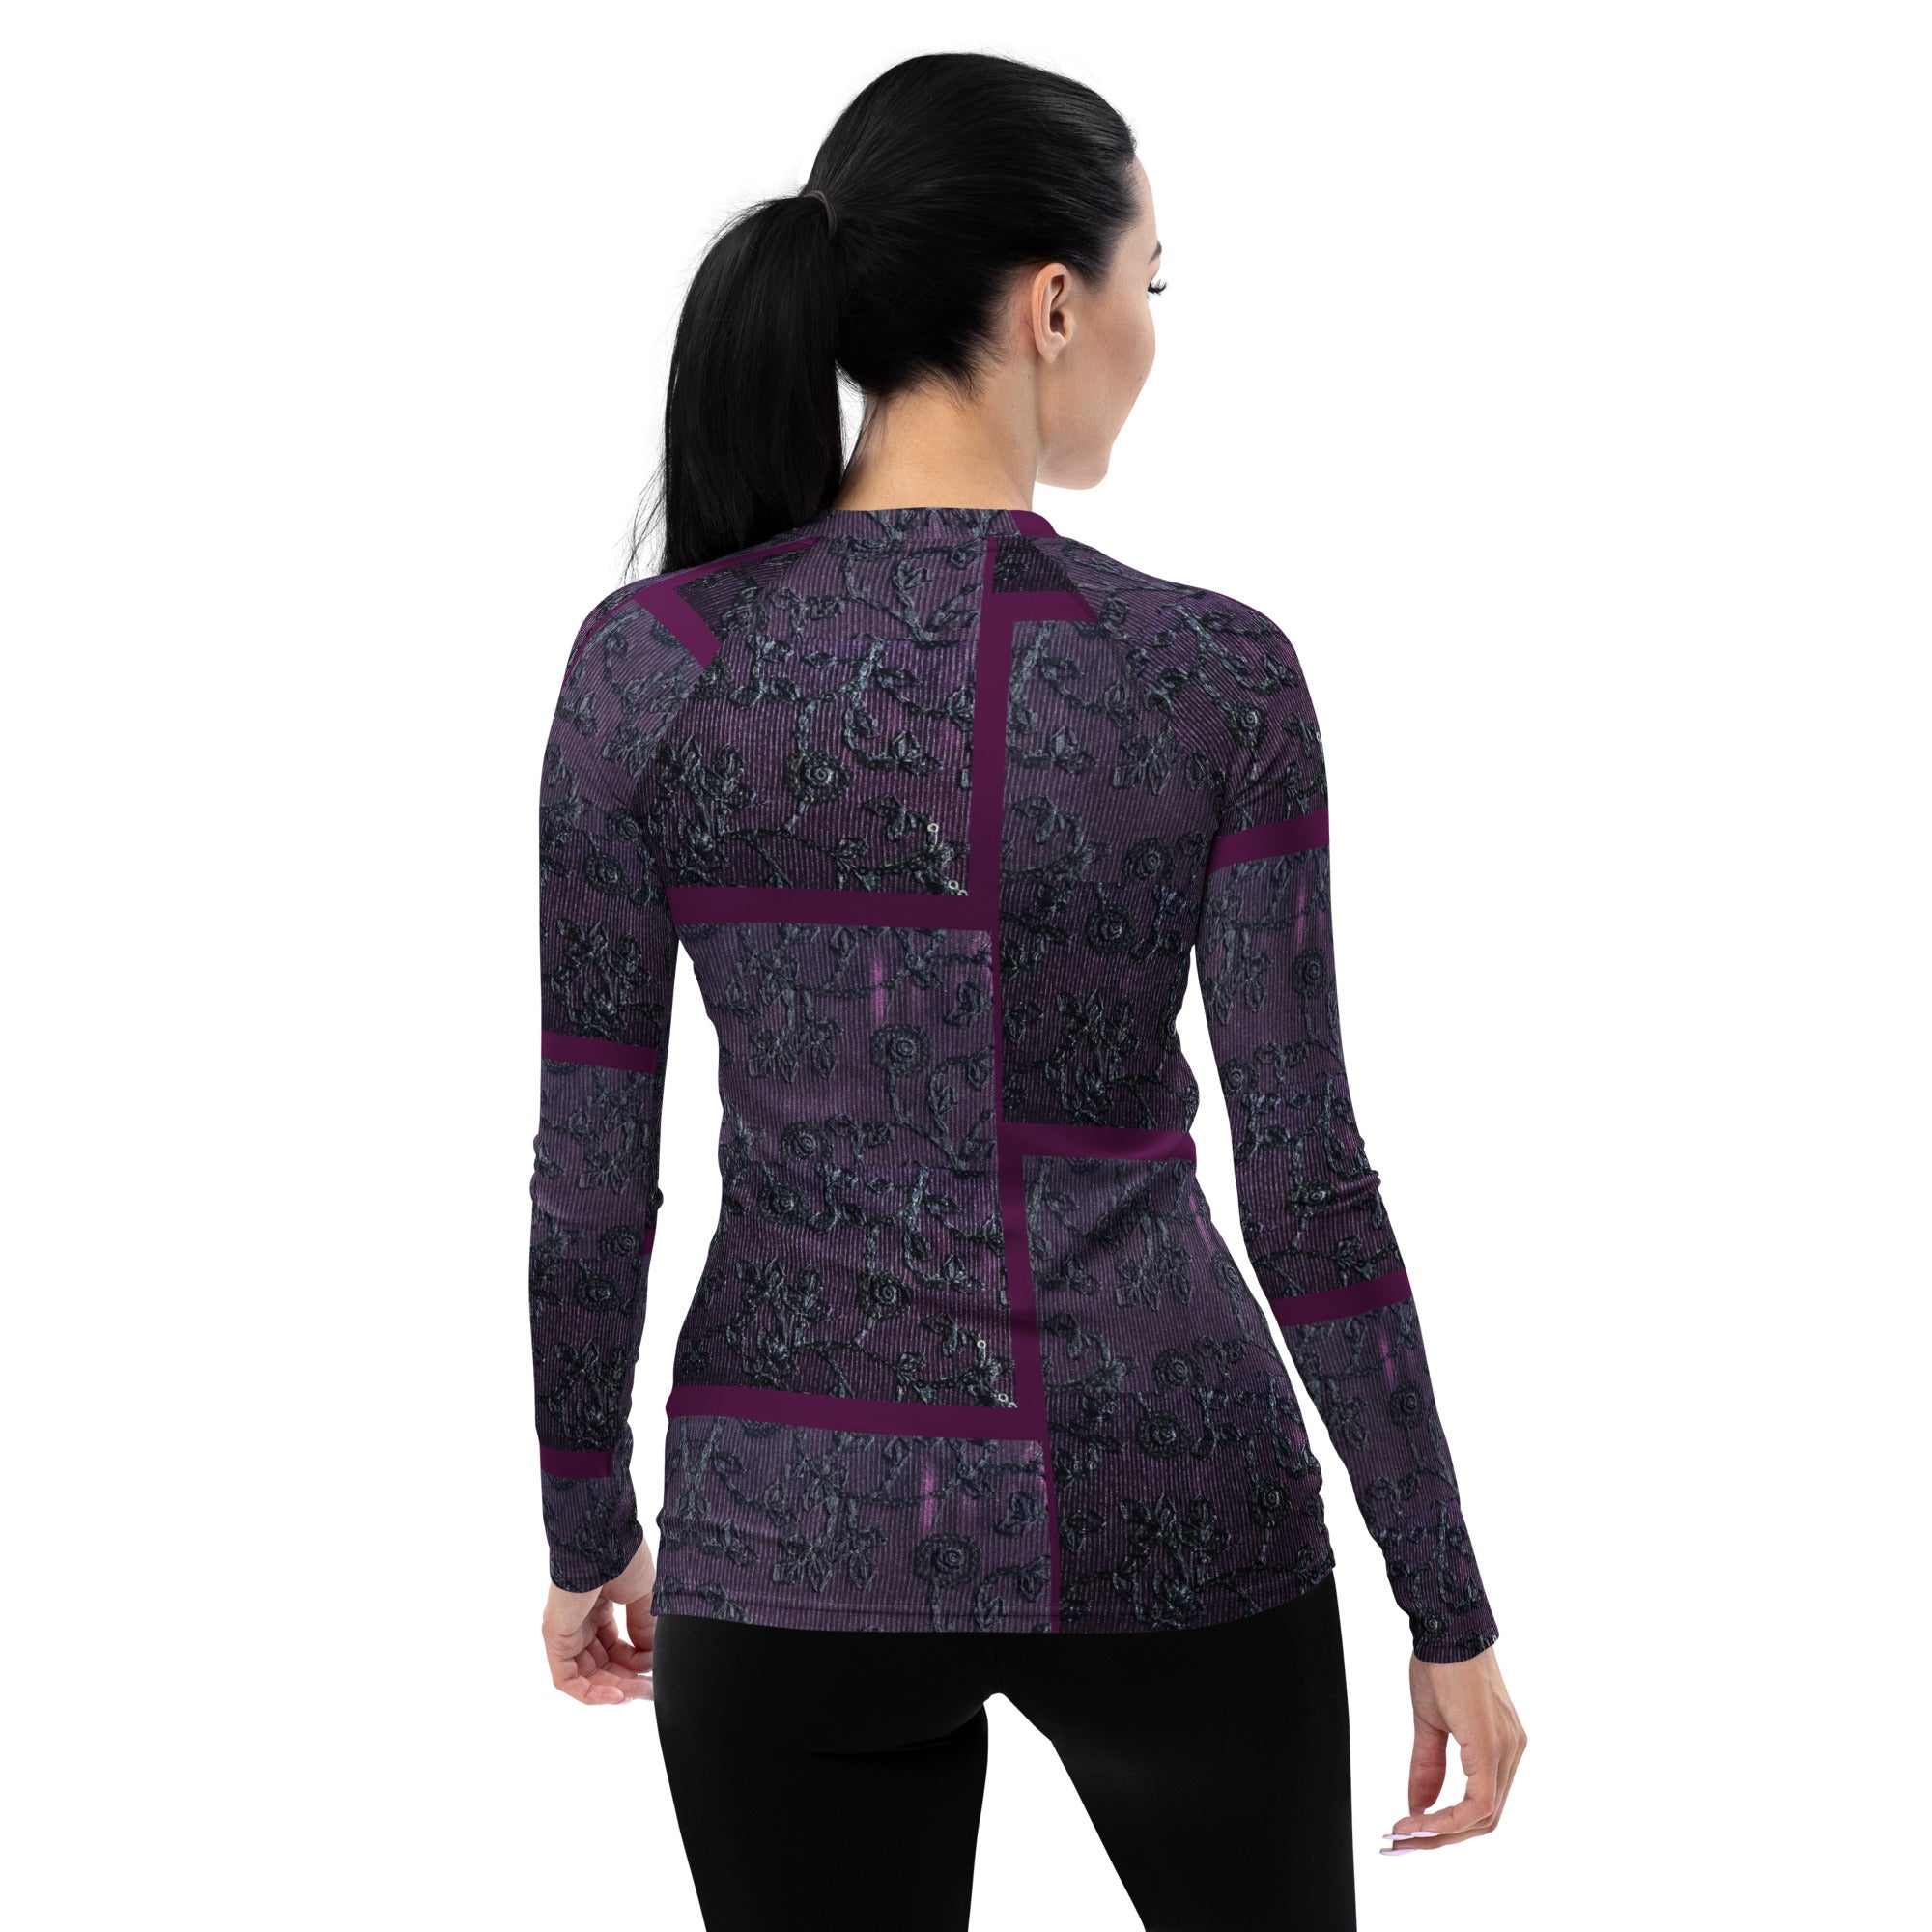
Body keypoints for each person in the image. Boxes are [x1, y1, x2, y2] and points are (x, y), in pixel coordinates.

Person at [526, 50, 1524, 1932]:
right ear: (1053, 305)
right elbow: (1307, 1182)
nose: (1152, 329)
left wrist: (589, 1517)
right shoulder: (1211, 677)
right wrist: (1444, 1602)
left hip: (790, 1530)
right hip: (1170, 1506)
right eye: (1154, 279)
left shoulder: (648, 668)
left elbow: (592, 1168)